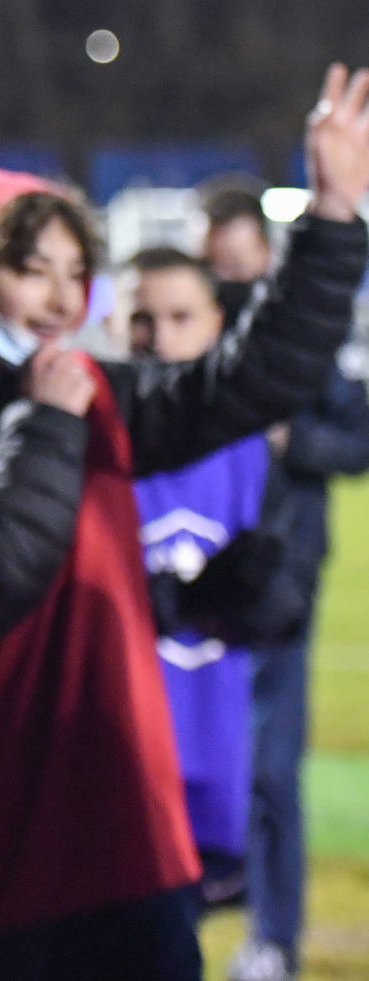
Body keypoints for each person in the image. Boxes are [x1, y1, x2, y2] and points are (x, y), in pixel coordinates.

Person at [0, 72, 369, 981]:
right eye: (28, 267)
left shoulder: (91, 394)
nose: (62, 300)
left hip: (127, 854)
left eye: (77, 272)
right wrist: (47, 426)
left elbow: (250, 380)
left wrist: (335, 216)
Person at [203, 189, 369, 981]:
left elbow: (356, 443)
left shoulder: (310, 338)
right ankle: (192, 907)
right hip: (191, 574)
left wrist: (288, 437)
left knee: (270, 769)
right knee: (181, 755)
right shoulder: (189, 334)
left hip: (282, 576)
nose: (230, 276)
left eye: (242, 262)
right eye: (219, 263)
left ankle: (274, 935)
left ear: (265, 256)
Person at [124, 247, 283, 905]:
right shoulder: (87, 440)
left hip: (211, 747)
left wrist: (263, 596)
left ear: (215, 322)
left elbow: (281, 599)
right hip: (114, 758)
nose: (158, 335)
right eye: (140, 317)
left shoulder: (249, 448)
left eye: (178, 315)